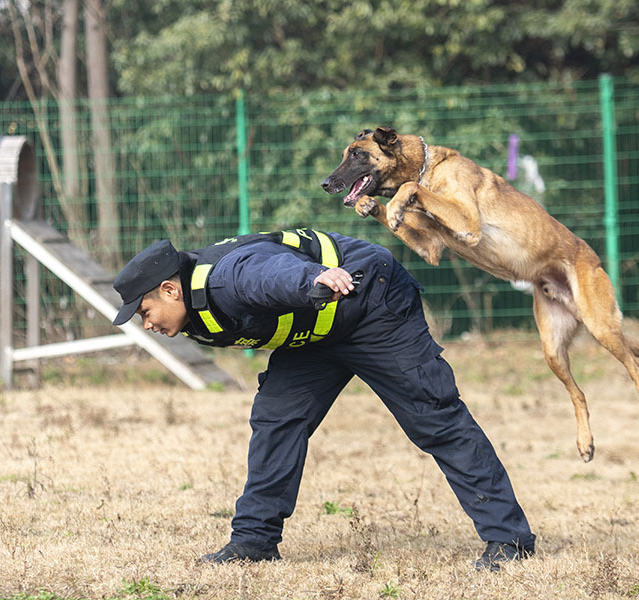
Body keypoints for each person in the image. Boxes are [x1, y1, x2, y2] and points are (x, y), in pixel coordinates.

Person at [111, 228, 535, 570]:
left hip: (371, 303)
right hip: (315, 333)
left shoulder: (227, 278)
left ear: (170, 290)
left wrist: (313, 279)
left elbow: (267, 272)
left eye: (145, 312)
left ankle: (509, 540)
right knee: (276, 420)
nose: (147, 325)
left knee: (435, 418)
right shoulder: (190, 309)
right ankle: (254, 542)